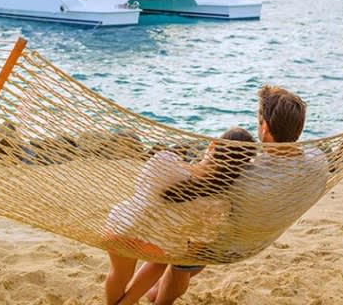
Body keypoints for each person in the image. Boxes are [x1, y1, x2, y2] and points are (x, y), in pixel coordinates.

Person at [134, 85, 328, 305]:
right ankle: (156, 290)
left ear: (264, 128)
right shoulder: (318, 161)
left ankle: (161, 300)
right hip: (258, 240)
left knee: (190, 241)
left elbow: (207, 190)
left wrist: (204, 161)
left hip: (220, 246)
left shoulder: (246, 178)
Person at [104, 127, 256, 305]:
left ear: (212, 145)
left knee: (118, 275)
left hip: (120, 226)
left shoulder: (165, 161)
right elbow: (202, 239)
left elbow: (140, 186)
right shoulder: (219, 204)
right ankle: (127, 302)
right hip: (156, 246)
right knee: (161, 261)